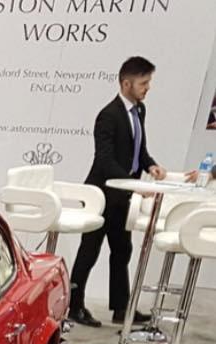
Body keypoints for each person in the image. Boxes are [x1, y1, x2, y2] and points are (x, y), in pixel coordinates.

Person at [68, 56, 167, 328]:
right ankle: (73, 305)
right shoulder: (108, 115)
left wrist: (151, 165)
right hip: (101, 194)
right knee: (90, 250)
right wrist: (135, 184)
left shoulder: (139, 111)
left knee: (122, 249)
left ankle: (121, 308)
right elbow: (105, 160)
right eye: (143, 83)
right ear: (126, 83)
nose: (148, 88)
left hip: (123, 195)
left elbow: (138, 150)